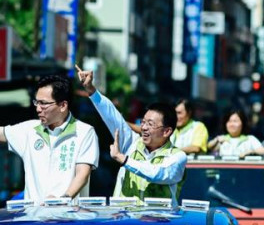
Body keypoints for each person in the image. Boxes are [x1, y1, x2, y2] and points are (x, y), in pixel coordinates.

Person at [76, 67, 187, 205]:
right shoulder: (132, 143)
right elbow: (112, 115)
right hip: (125, 221)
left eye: (150, 124)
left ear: (166, 131)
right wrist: (91, 90)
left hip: (158, 223)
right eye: (143, 122)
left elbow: (156, 173)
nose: (144, 127)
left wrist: (124, 160)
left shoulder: (177, 157)